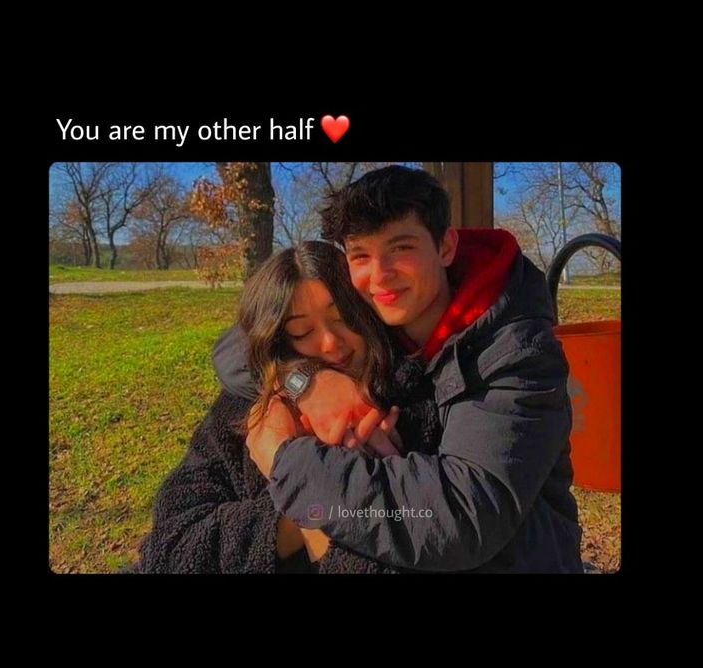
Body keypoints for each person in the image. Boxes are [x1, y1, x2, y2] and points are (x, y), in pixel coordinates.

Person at [220, 165, 584, 573]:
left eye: (401, 247)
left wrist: (287, 461)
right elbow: (238, 346)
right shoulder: (373, 319)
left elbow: (461, 517)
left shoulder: (516, 349)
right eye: (361, 255)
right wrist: (308, 382)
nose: (380, 275)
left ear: (445, 246)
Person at [135, 240, 440, 574]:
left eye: (343, 319)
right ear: (279, 339)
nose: (330, 343)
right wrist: (306, 495)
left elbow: (429, 533)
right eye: (302, 331)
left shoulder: (411, 403)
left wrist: (313, 488)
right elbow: (171, 549)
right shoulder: (247, 409)